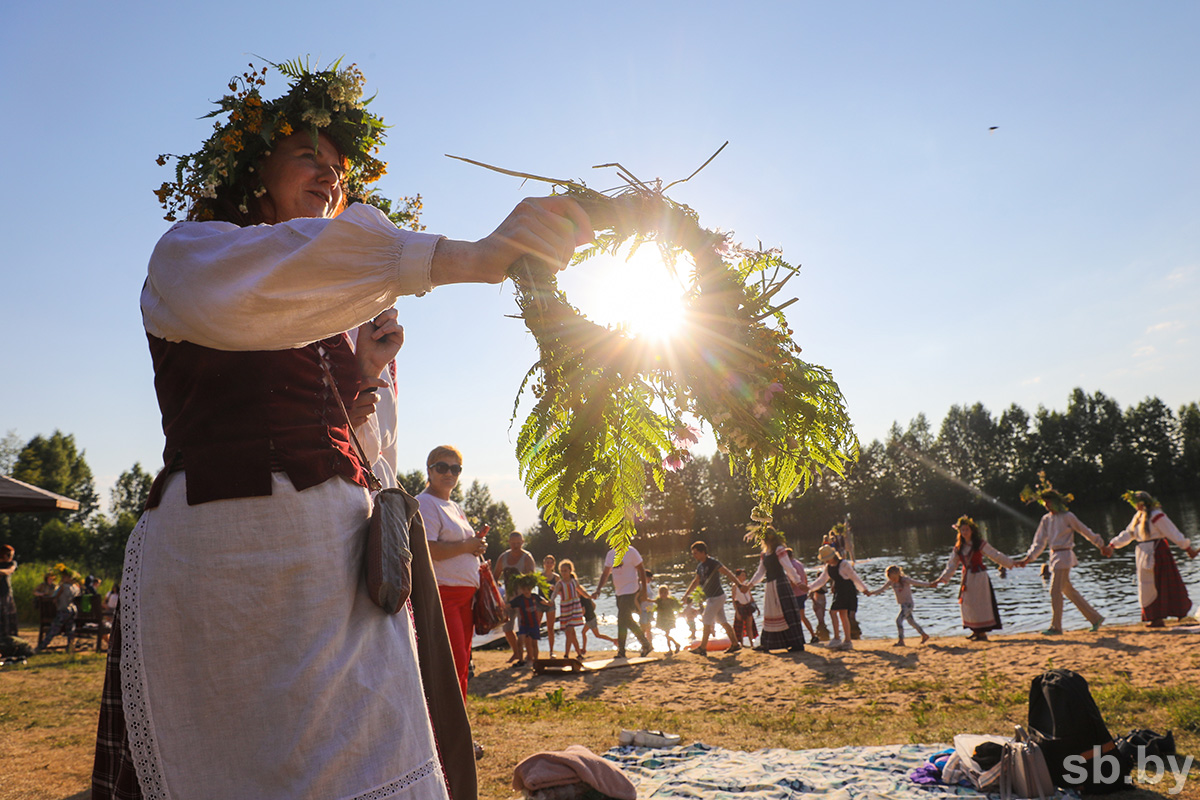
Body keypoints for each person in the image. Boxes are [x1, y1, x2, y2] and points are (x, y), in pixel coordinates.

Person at [92, 59, 590, 800]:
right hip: (222, 563)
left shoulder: (331, 294)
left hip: (334, 567)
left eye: (338, 169)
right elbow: (267, 283)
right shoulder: (193, 253)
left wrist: (360, 376)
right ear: (253, 167)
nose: (328, 176)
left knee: (365, 765)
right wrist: (474, 257)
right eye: (306, 157)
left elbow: (359, 447)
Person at [418, 445, 488, 700]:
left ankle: (459, 733)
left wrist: (476, 546)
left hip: (464, 598)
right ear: (429, 470)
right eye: (442, 467)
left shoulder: (454, 506)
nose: (449, 473)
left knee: (462, 664)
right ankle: (448, 735)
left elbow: (461, 546)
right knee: (451, 665)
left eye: (455, 468)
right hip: (443, 595)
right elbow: (429, 549)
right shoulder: (425, 503)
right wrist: (465, 546)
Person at [1016, 475, 1110, 635]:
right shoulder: (1046, 519)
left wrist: (1100, 544)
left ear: (1056, 502)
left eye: (1049, 502)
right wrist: (1029, 558)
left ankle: (1056, 627)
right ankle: (1095, 618)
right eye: (1045, 502)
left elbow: (1084, 530)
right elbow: (1039, 542)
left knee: (1054, 591)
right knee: (1068, 590)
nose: (1046, 505)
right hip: (1055, 557)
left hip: (1064, 556)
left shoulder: (1068, 517)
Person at [1107, 491, 1198, 628]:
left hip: (1158, 552)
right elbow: (1128, 534)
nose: (1135, 507)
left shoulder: (1157, 516)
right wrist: (1112, 545)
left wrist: (1186, 547)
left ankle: (1160, 616)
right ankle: (1155, 617)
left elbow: (1172, 532)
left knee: (1160, 584)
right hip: (1144, 553)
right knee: (1147, 586)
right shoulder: (1138, 517)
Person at [931, 516, 1014, 642]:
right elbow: (952, 565)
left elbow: (994, 554)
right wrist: (941, 579)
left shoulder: (979, 544)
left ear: (972, 531)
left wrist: (1011, 563)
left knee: (980, 603)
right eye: (962, 530)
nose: (965, 532)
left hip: (979, 577)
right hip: (968, 577)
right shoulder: (959, 547)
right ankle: (975, 630)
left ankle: (982, 633)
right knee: (968, 603)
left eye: (967, 530)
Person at [746, 529, 807, 653]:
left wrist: (798, 582)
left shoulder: (779, 549)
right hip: (770, 585)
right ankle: (767, 643)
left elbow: (788, 567)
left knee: (785, 613)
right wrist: (750, 584)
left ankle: (796, 643)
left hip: (780, 584)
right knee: (770, 613)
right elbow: (760, 572)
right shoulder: (764, 554)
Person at [682, 541, 743, 654]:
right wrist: (686, 594)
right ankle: (735, 644)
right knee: (723, 621)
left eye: (696, 553)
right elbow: (696, 581)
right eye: (693, 553)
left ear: (703, 552)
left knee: (706, 620)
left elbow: (728, 573)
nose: (694, 555)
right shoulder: (700, 566)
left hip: (717, 597)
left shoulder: (713, 563)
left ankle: (702, 648)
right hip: (711, 598)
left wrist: (739, 584)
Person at [807, 544, 869, 651]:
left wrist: (864, 589)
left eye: (826, 559)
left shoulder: (844, 564)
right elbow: (822, 580)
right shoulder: (828, 567)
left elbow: (855, 577)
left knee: (833, 612)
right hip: (839, 591)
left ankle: (837, 638)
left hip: (847, 591)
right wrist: (809, 588)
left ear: (832, 556)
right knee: (842, 614)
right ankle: (847, 641)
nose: (825, 561)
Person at [595, 544, 653, 658]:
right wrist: (598, 589)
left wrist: (644, 591)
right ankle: (646, 644)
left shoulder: (631, 551)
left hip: (631, 590)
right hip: (619, 592)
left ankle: (622, 651)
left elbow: (641, 570)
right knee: (627, 620)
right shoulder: (610, 554)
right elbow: (606, 573)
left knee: (622, 619)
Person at [494, 531, 538, 664]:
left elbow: (533, 579)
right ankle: (516, 652)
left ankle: (529, 656)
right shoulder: (504, 557)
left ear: (523, 542)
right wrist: (494, 593)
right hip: (508, 599)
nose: (516, 546)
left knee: (525, 629)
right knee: (507, 628)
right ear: (509, 543)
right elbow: (495, 576)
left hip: (524, 599)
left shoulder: (527, 557)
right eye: (513, 543)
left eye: (518, 543)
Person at [867, 565, 934, 646]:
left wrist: (930, 584)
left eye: (894, 578)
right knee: (911, 622)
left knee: (898, 620)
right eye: (891, 578)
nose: (893, 580)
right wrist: (871, 593)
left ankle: (901, 640)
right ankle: (924, 635)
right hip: (902, 605)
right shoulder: (891, 582)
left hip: (908, 605)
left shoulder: (905, 580)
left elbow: (918, 583)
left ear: (898, 573)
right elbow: (882, 589)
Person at [509, 574, 552, 667]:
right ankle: (521, 660)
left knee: (534, 643)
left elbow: (542, 600)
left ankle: (536, 661)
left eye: (528, 589)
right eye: (524, 589)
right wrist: (500, 607)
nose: (526, 591)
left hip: (534, 624)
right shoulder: (520, 599)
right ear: (521, 590)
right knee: (520, 641)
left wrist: (548, 603)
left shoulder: (534, 597)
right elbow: (509, 604)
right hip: (524, 624)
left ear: (531, 589)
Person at [550, 559, 588, 659]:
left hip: (574, 608)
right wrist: (551, 600)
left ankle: (566, 654)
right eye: (562, 571)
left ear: (570, 571)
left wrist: (589, 596)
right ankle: (579, 654)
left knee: (570, 630)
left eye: (565, 571)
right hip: (566, 609)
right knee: (571, 633)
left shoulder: (574, 581)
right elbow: (555, 593)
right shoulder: (560, 583)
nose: (563, 573)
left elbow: (580, 590)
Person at [37, 569, 81, 653]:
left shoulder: (63, 587)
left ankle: (42, 646)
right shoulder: (76, 588)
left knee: (54, 628)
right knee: (70, 629)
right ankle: (70, 646)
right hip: (72, 610)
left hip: (63, 609)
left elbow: (54, 596)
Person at [785, 548, 818, 643]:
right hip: (802, 593)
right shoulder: (799, 563)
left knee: (796, 617)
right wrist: (806, 589)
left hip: (796, 594)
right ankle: (812, 635)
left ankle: (800, 637)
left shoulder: (790, 566)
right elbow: (805, 577)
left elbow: (792, 581)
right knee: (802, 616)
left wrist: (788, 592)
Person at [730, 568, 759, 647]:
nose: (744, 577)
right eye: (742, 575)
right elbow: (733, 599)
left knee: (749, 626)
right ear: (737, 576)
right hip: (740, 607)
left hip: (748, 606)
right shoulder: (735, 586)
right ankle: (741, 644)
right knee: (740, 627)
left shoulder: (746, 584)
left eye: (745, 575)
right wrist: (737, 611)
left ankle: (752, 643)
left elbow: (750, 596)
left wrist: (757, 607)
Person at [653, 585, 683, 654]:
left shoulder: (671, 600)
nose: (663, 595)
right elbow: (651, 601)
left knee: (667, 634)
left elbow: (678, 606)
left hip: (669, 619)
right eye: (662, 593)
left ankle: (674, 646)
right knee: (666, 635)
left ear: (667, 593)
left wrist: (684, 602)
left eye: (665, 593)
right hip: (662, 619)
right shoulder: (659, 600)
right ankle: (672, 647)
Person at [0, 546, 17, 636]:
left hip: (6, 593)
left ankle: (9, 635)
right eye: (9, 555)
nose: (11, 557)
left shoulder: (12, 563)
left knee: (8, 615)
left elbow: (9, 571)